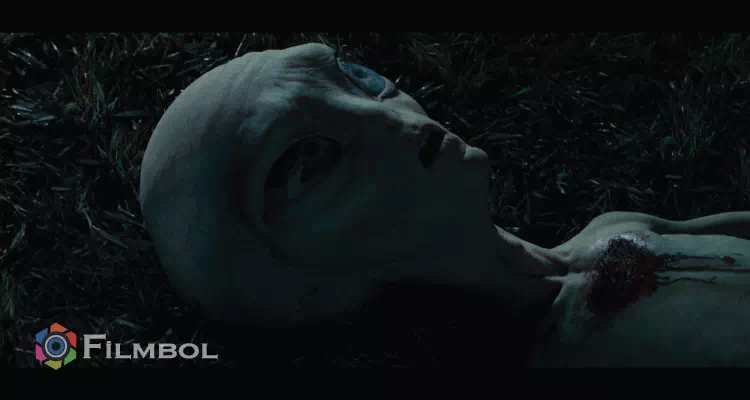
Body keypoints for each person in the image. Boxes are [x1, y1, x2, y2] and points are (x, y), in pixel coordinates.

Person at [139, 42, 750, 366]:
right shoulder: (572, 356)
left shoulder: (611, 227)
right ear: (293, 288)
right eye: (306, 161)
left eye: (355, 75)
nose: (388, 116)